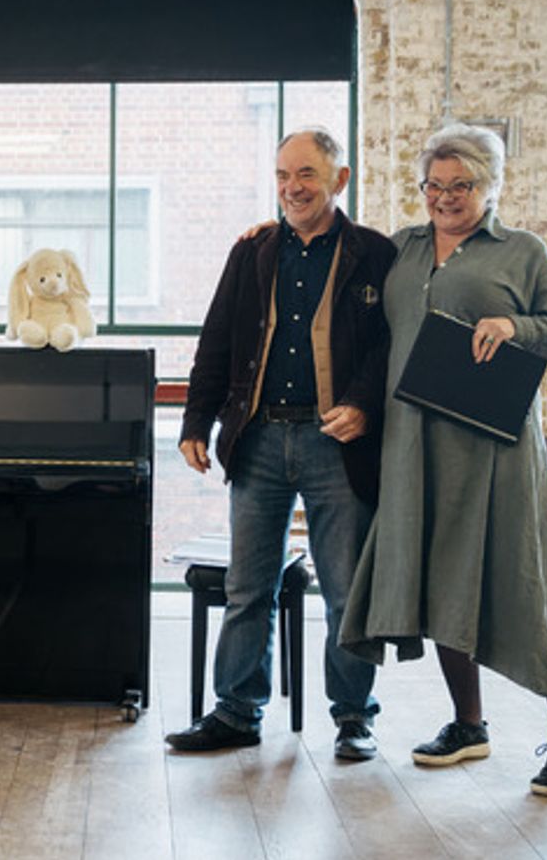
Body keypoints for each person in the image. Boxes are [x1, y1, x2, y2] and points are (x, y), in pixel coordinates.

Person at [338, 123, 547, 797]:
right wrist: (267, 234)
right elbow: (339, 271)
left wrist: (516, 326)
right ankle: (468, 722)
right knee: (440, 578)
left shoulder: (521, 252)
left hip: (494, 452)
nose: (446, 197)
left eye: (462, 185)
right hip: (414, 447)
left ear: (489, 187)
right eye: (435, 185)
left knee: (524, 582)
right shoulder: (402, 248)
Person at [165, 128, 396, 759]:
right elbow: (218, 339)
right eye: (283, 176)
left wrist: (363, 405)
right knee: (249, 586)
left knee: (347, 590)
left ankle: (354, 717)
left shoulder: (376, 254)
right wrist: (194, 422)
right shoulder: (254, 251)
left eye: (307, 176)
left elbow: (390, 348)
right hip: (259, 438)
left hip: (335, 444)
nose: (292, 188)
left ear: (339, 180)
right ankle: (237, 713)